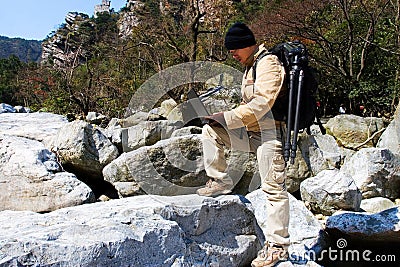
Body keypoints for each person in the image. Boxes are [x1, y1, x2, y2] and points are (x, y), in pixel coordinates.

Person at [196, 22, 290, 267]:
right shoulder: (250, 67)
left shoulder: (268, 63)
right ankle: (219, 180)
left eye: (234, 49)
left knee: (273, 189)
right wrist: (221, 119)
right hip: (252, 132)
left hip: (271, 135)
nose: (232, 54)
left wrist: (228, 117)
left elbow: (263, 104)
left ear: (247, 44)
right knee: (210, 130)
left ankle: (278, 246)